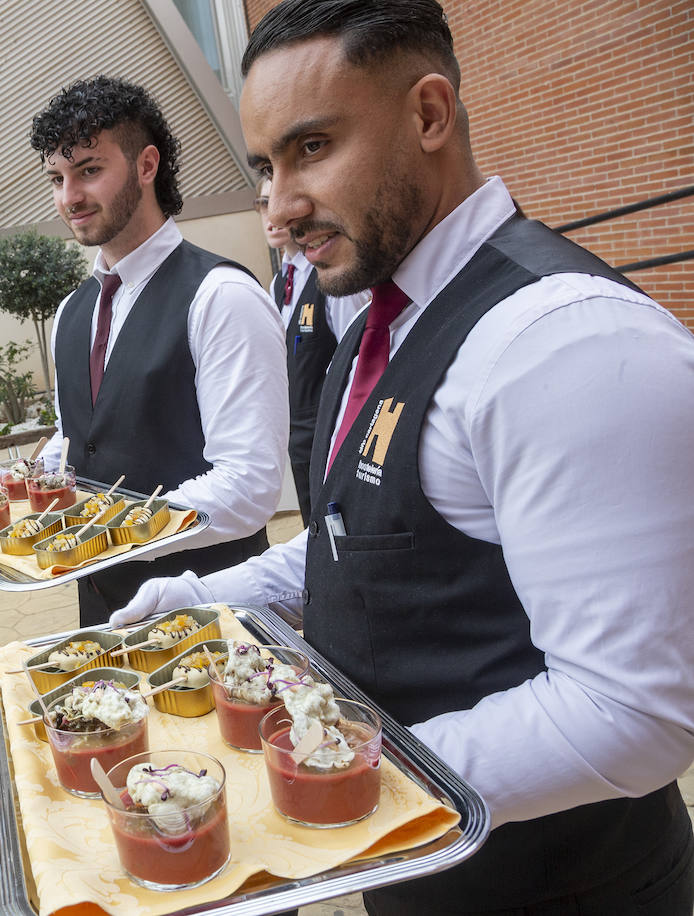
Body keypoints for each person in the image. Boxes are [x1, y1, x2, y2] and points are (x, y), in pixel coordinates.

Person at [115, 1, 694, 912]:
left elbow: (634, 714)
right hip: (418, 870)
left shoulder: (566, 341)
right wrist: (202, 598)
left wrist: (338, 781)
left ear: (429, 114)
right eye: (265, 167)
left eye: (312, 148)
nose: (279, 209)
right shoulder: (381, 315)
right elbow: (364, 545)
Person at [29, 75, 289, 627]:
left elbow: (249, 484)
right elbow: (81, 438)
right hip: (98, 613)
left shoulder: (222, 296)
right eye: (57, 178)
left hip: (208, 616)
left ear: (147, 165)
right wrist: (30, 479)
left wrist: (109, 534)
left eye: (89, 170)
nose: (69, 197)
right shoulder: (70, 312)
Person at [257, 174, 369, 526]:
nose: (272, 213)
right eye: (263, 204)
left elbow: (359, 362)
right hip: (299, 444)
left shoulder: (332, 276)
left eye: (276, 200)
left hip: (332, 440)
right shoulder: (279, 283)